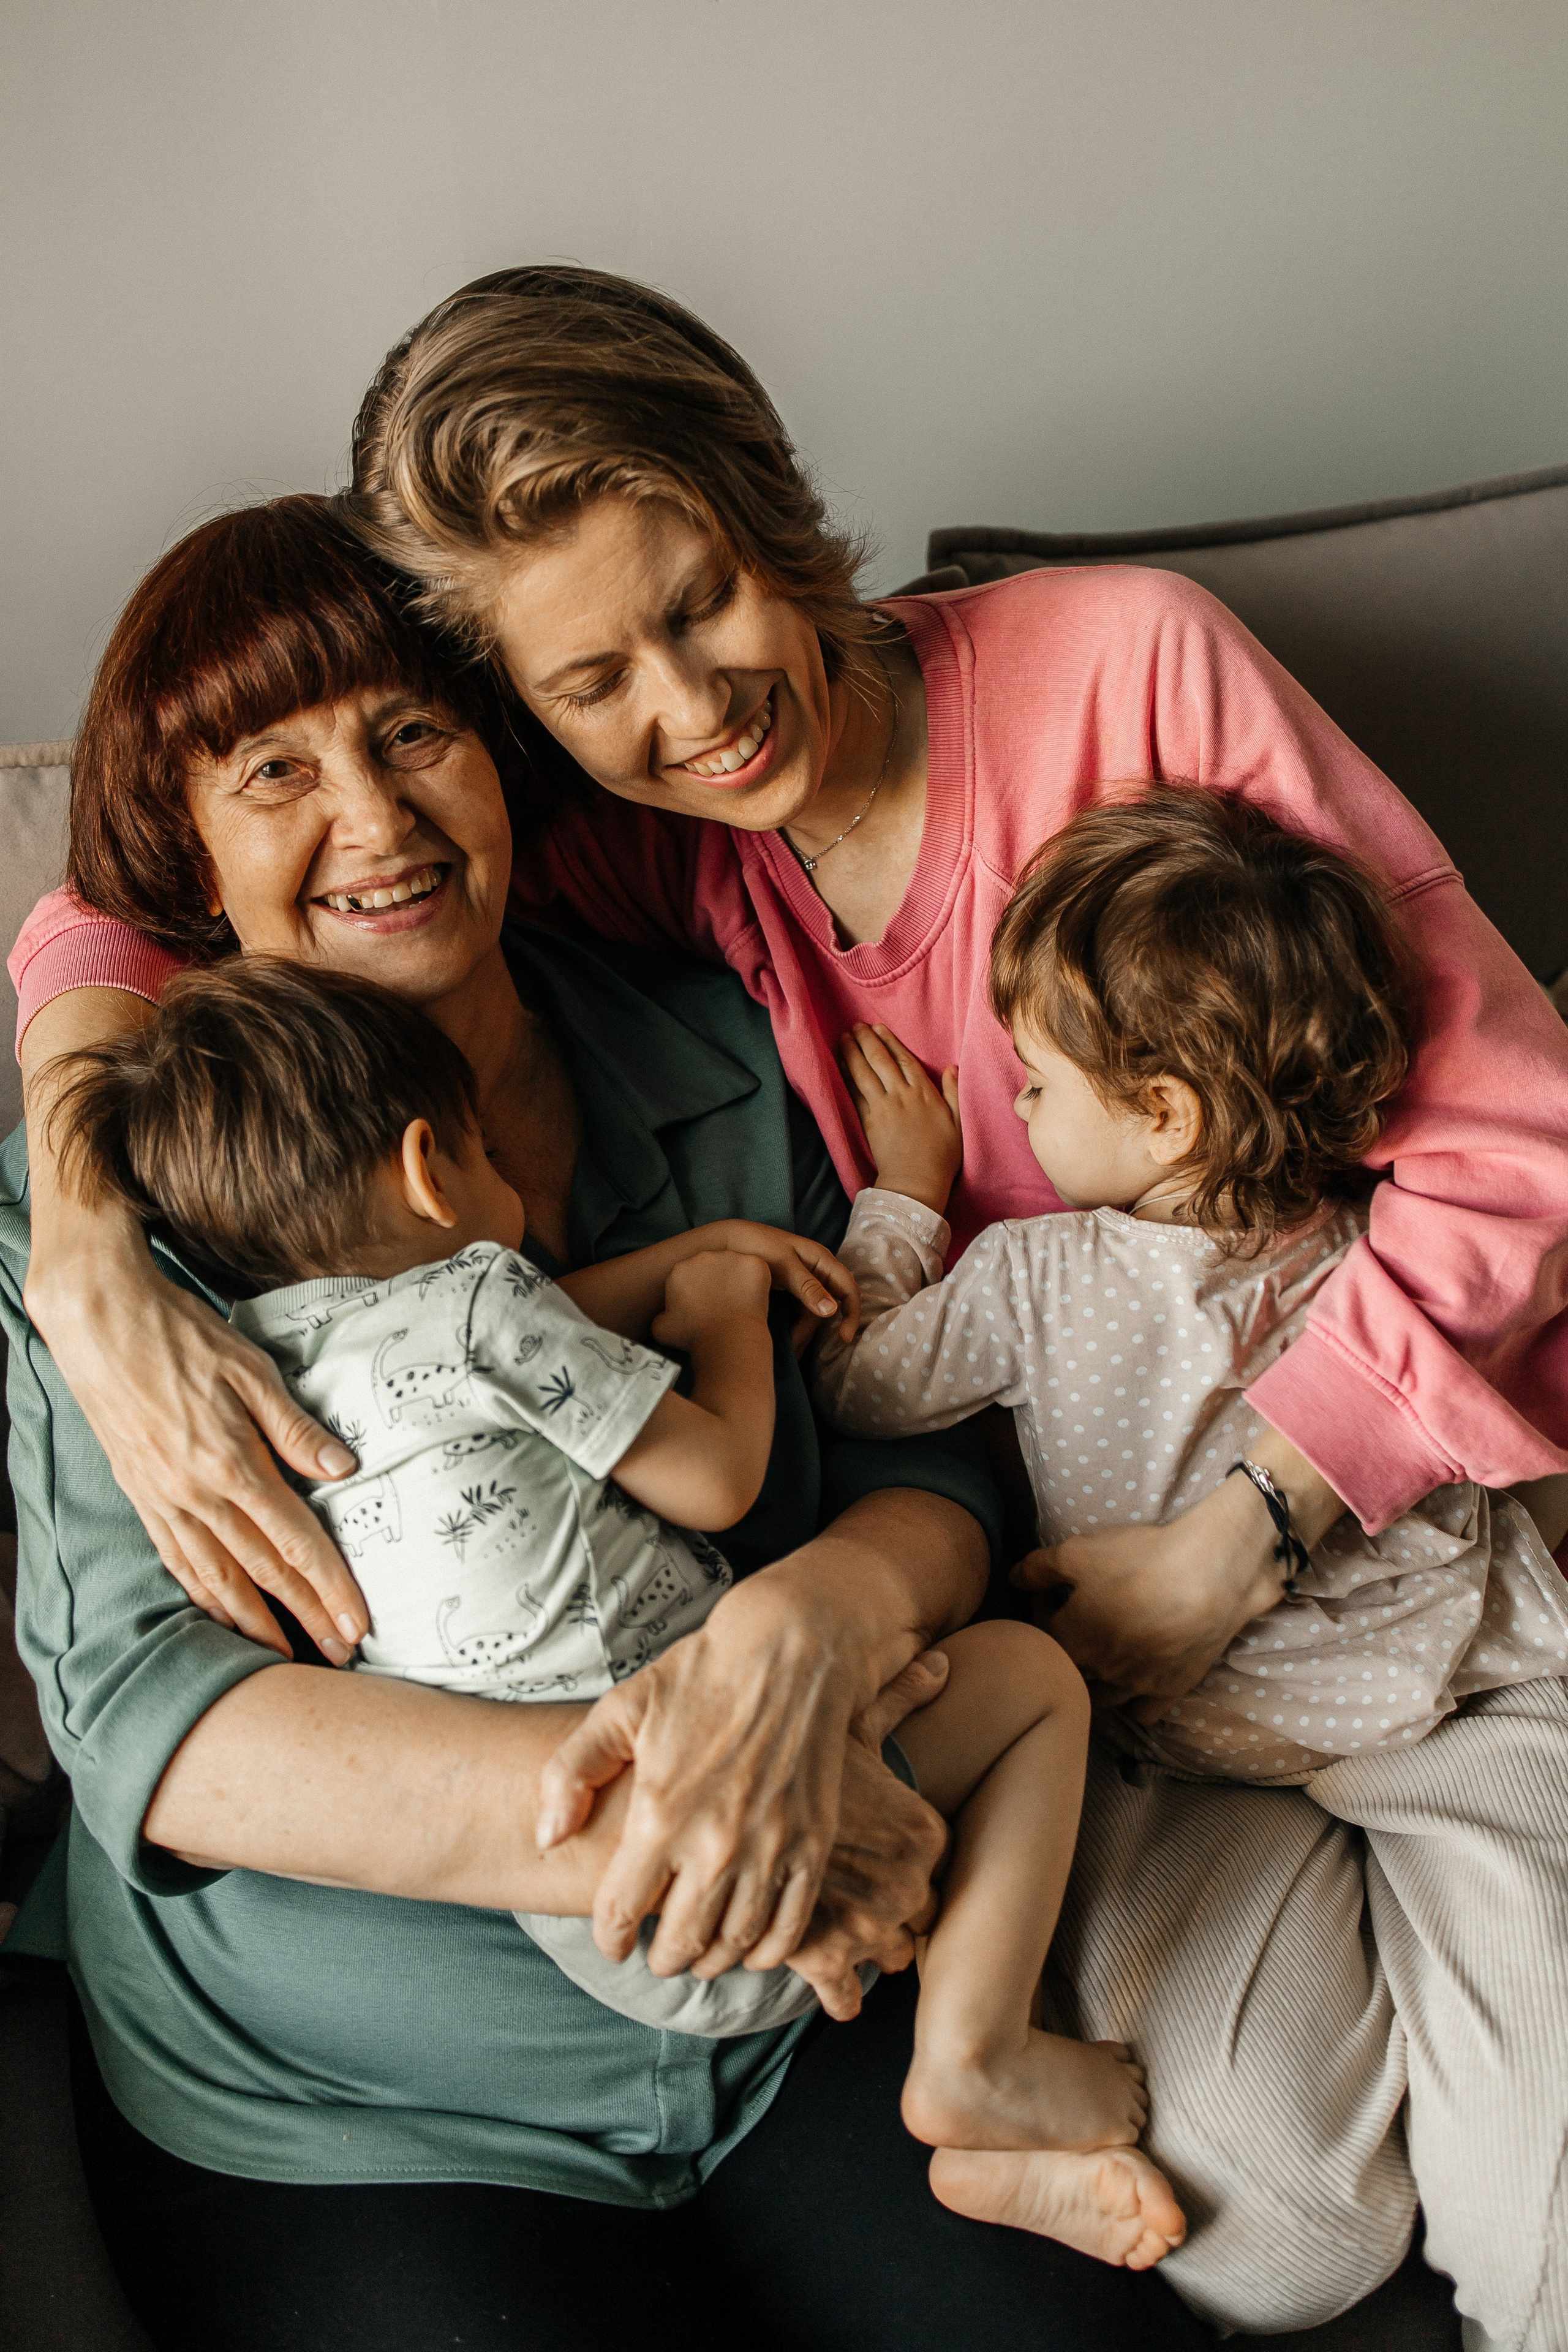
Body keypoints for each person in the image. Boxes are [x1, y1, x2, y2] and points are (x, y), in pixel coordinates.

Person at [13, 266, 1568, 2334]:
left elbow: (1498, 1144)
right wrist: (75, 1215)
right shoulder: (615, 888)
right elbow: (134, 881)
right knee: (1288, 2238)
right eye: (592, 681)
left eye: (699, 600)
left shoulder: (830, 883)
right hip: (482, 2045)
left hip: (1343, 1597)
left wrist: (980, 1590)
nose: (686, 703)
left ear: (769, 505)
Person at [4, 497, 1214, 2351]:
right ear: (184, 847)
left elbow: (931, 1449)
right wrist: (742, 1826)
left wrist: (811, 1630)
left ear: (503, 756)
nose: (378, 823)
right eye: (275, 771)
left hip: (802, 2023)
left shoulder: (720, 1042)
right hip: (360, 2113)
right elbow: (158, 1727)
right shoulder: (98, 1211)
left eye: (413, 734)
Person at [50, 950, 1185, 2271]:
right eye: (482, 1152)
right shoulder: (486, 1298)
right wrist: (724, 1316)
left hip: (591, 1912)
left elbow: (506, 1338)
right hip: (744, 1859)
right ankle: (975, 2058)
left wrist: (663, 1264)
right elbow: (714, 1478)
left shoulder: (267, 1352)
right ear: (433, 1165)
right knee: (1029, 1681)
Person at [808, 788, 1568, 2344]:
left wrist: (901, 1198)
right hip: (1195, 1782)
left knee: (1540, 2200)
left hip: (1462, 1719)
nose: (1013, 1108)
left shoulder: (1027, 1273)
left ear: (1161, 1114)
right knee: (1287, 2239)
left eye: (1032, 1080)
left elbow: (849, 1383)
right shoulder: (1373, 1244)